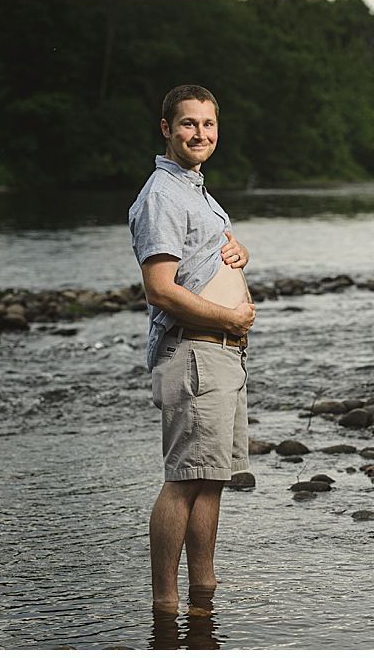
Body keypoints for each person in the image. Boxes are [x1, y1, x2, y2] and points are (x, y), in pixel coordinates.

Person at [127, 84, 256, 614]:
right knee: (183, 481)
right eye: (188, 124)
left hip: (223, 355)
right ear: (166, 128)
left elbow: (199, 260)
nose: (200, 133)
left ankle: (203, 596)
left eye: (208, 124)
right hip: (196, 353)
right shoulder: (162, 194)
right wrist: (230, 314)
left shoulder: (197, 192)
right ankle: (165, 605)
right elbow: (160, 287)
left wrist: (237, 251)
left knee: (211, 481)